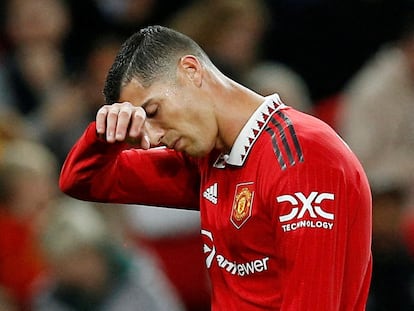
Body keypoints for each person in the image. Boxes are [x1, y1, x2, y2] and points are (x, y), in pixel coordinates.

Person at [59, 25, 372, 310]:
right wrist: (105, 135)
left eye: (153, 111)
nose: (153, 138)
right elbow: (83, 180)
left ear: (191, 70)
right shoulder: (208, 159)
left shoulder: (302, 157)